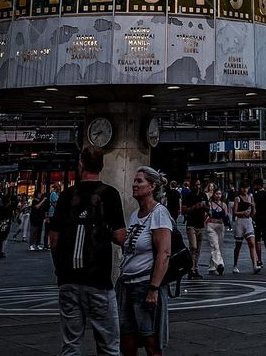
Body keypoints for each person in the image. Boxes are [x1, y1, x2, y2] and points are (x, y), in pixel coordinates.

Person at [48, 144, 127, 356]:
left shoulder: (66, 196)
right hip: (98, 280)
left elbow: (53, 239)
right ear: (102, 165)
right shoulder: (109, 195)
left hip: (68, 279)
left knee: (71, 344)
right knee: (109, 345)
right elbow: (121, 237)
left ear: (80, 164)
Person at [117, 168, 173, 356]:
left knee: (150, 341)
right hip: (127, 285)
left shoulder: (159, 213)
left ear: (152, 186)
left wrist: (154, 289)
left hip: (144, 285)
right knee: (127, 340)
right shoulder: (135, 215)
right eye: (134, 180)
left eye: (139, 181)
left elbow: (164, 253)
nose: (134, 184)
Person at [231, 183, 261, 274]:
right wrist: (243, 212)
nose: (245, 190)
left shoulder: (251, 198)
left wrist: (253, 207)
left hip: (248, 222)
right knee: (238, 245)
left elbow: (253, 213)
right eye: (243, 188)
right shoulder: (238, 198)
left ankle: (255, 265)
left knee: (252, 243)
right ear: (240, 189)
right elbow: (235, 212)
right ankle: (235, 265)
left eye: (246, 188)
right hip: (240, 222)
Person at [182, 177, 208, 279]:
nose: (198, 186)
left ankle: (195, 268)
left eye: (199, 185)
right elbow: (183, 210)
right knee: (193, 247)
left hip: (200, 224)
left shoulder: (203, 195)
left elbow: (208, 207)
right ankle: (190, 268)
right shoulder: (188, 196)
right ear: (192, 185)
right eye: (196, 185)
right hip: (191, 224)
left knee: (198, 249)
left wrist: (203, 206)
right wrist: (194, 207)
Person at [205, 186, 228, 277]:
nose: (218, 195)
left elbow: (226, 217)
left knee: (218, 247)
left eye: (219, 194)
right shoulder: (210, 204)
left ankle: (211, 267)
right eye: (216, 194)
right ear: (213, 195)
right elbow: (206, 215)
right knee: (215, 246)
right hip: (211, 226)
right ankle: (219, 264)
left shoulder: (224, 205)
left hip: (220, 227)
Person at [252, 181, 266, 266]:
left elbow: (253, 208)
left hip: (257, 219)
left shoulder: (255, 195)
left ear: (258, 185)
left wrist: (252, 217)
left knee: (257, 239)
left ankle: (259, 260)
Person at [0, 188, 15, 258]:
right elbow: (12, 215)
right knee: (5, 237)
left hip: (1, 223)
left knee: (1, 238)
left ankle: (1, 250)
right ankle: (3, 251)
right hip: (7, 223)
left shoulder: (1, 207)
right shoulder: (10, 208)